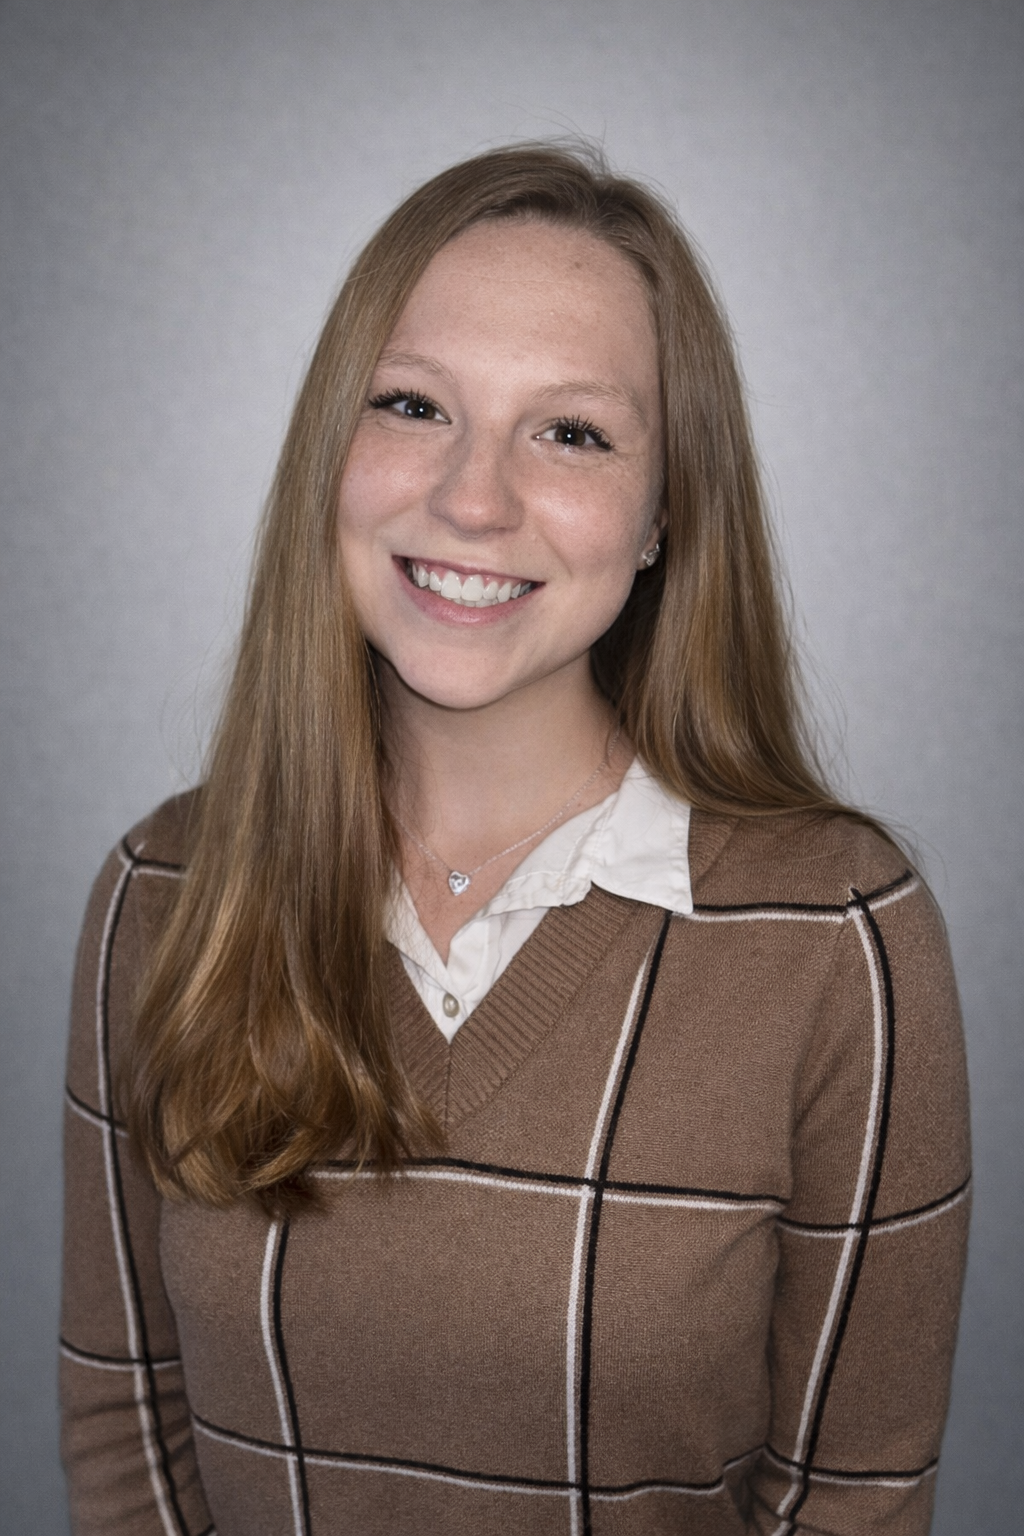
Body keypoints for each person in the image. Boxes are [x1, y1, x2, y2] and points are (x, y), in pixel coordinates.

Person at [60, 144, 970, 1536]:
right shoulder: (165, 896)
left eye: (573, 433)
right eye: (414, 405)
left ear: (668, 511)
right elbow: (128, 1443)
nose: (472, 499)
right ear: (331, 454)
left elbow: (853, 1503)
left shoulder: (837, 936)